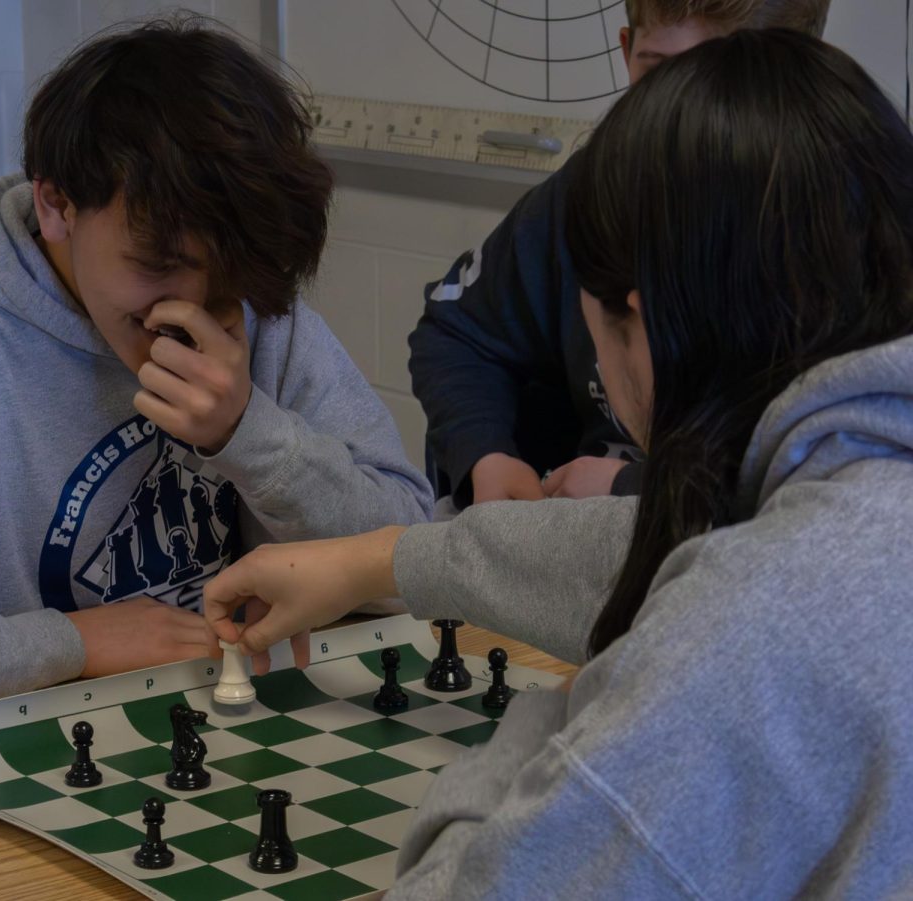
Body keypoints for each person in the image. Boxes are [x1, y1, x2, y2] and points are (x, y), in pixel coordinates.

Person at [206, 30, 913, 895]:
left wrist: (575, 708)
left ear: (641, 327)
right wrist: (378, 560)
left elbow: (466, 884)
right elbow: (657, 544)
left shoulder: (757, 623)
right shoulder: (855, 494)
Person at [0, 19, 432, 744]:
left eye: (220, 279)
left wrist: (247, 433)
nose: (188, 310)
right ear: (58, 205)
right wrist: (70, 643)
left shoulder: (254, 308)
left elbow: (418, 564)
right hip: (11, 777)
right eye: (156, 263)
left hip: (226, 739)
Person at [410, 0, 831, 509]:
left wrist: (631, 488)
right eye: (660, 73)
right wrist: (488, 454)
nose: (681, 111)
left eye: (719, 76)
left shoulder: (842, 230)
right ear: (629, 52)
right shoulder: (593, 188)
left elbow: (823, 496)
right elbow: (457, 332)